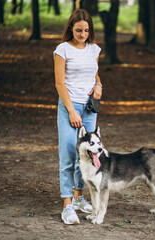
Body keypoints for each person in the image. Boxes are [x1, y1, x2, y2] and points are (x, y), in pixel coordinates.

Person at [53, 9, 102, 225]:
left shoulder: (94, 49)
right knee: (68, 156)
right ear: (71, 28)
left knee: (87, 156)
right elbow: (59, 83)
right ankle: (67, 206)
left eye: (86, 30)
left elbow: (94, 73)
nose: (83, 34)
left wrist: (99, 84)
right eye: (78, 30)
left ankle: (78, 197)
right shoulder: (62, 50)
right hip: (69, 107)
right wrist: (72, 110)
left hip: (90, 108)